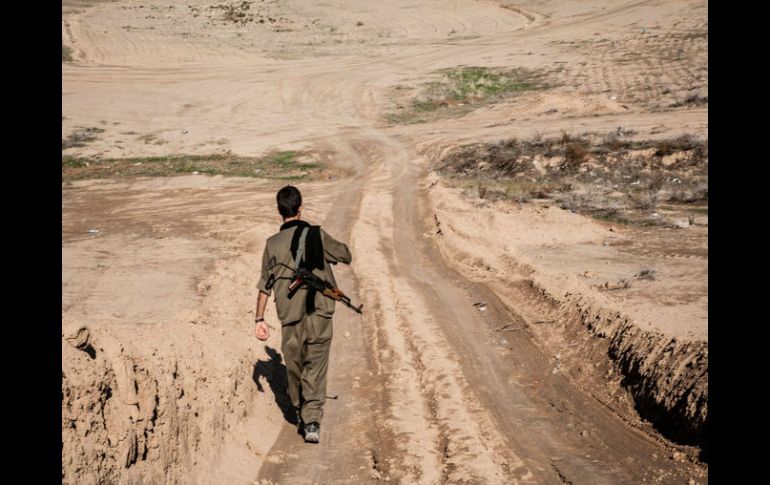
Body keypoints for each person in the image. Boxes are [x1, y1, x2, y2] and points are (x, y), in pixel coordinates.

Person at [254, 185, 352, 444]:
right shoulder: (317, 235)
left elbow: (264, 285)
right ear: (301, 208)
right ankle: (310, 418)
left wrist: (259, 319)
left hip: (290, 318)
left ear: (279, 211)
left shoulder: (271, 244)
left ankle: (305, 414)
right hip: (319, 314)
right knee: (315, 368)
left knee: (295, 366)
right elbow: (345, 254)